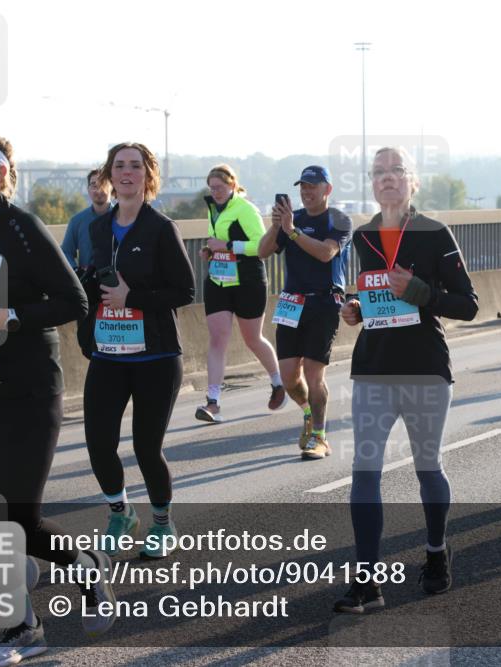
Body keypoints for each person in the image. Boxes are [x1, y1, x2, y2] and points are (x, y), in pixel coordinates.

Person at [0, 131, 116, 663]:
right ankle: (22, 625)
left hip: (29, 389)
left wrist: (9, 316)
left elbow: (74, 300)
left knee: (19, 516)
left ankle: (85, 565)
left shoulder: (24, 228)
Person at [334, 147, 478, 613]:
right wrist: (356, 309)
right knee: (364, 471)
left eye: (397, 170)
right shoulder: (363, 236)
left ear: (412, 181)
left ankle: (436, 553)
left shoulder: (434, 233)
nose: (388, 178)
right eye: (379, 172)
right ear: (372, 184)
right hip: (373, 366)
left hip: (424, 368)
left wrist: (417, 291)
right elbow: (373, 296)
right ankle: (367, 583)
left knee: (427, 467)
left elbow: (467, 304)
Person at [78, 142, 195, 559]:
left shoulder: (162, 228)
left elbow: (185, 290)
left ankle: (163, 523)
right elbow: (95, 285)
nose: (126, 172)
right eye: (119, 166)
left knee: (147, 448)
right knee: (98, 442)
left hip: (156, 358)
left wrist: (134, 297)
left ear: (148, 175)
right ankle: (120, 512)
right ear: (109, 175)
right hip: (109, 354)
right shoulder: (97, 228)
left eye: (135, 166)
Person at [258, 166, 352, 459]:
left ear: (328, 189)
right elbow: (262, 252)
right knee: (288, 377)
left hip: (323, 302)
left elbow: (326, 253)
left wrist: (293, 232)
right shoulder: (291, 219)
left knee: (313, 373)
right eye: (303, 186)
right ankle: (309, 413)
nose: (307, 191)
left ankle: (320, 437)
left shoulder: (338, 219)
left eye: (313, 186)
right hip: (291, 302)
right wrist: (277, 226)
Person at [196, 164, 285, 423]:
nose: (216, 192)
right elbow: (218, 240)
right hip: (219, 281)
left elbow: (261, 246)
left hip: (248, 281)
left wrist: (227, 245)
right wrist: (210, 251)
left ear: (233, 185)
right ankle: (213, 403)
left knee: (252, 339)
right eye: (212, 188)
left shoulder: (246, 210)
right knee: (217, 339)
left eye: (220, 188)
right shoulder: (213, 208)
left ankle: (278, 383)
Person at [61, 169, 111, 270]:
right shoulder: (77, 221)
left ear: (112, 188)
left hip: (118, 282)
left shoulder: (123, 218)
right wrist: (75, 271)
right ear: (88, 190)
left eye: (103, 184)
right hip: (87, 282)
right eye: (94, 185)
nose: (99, 190)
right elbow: (66, 252)